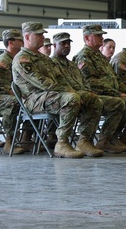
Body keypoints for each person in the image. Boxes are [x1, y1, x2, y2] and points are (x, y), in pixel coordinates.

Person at [12, 21, 102, 159]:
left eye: (42, 34)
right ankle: (62, 143)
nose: (42, 37)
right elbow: (42, 83)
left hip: (51, 95)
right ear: (28, 37)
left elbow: (60, 79)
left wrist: (73, 90)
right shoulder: (22, 59)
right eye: (39, 35)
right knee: (71, 98)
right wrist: (70, 91)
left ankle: (84, 140)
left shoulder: (45, 59)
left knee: (93, 99)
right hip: (33, 100)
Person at [75, 24, 126, 151]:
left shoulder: (99, 57)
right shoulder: (84, 56)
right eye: (98, 35)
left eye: (102, 35)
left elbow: (114, 80)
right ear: (87, 38)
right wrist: (117, 93)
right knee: (121, 102)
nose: (101, 37)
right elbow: (90, 83)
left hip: (108, 93)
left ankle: (118, 137)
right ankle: (102, 140)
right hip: (93, 95)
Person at [48, 31, 126, 154]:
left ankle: (95, 140)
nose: (66, 46)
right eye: (63, 43)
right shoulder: (50, 64)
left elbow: (84, 83)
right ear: (54, 45)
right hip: (65, 100)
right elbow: (54, 85)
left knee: (117, 103)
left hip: (82, 97)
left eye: (68, 43)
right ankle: (81, 141)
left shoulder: (71, 64)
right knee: (94, 100)